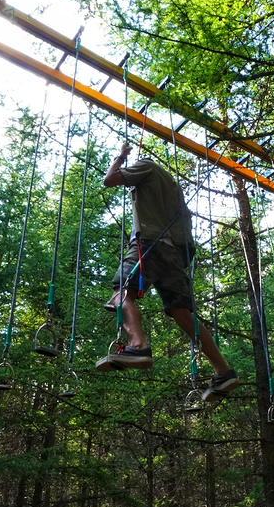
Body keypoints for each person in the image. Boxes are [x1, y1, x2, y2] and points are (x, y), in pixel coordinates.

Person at [97, 142, 238, 402]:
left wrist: (121, 156)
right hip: (175, 254)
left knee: (120, 293)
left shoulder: (147, 167)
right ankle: (222, 370)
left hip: (149, 243)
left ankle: (138, 346)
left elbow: (110, 180)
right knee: (181, 311)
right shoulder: (173, 187)